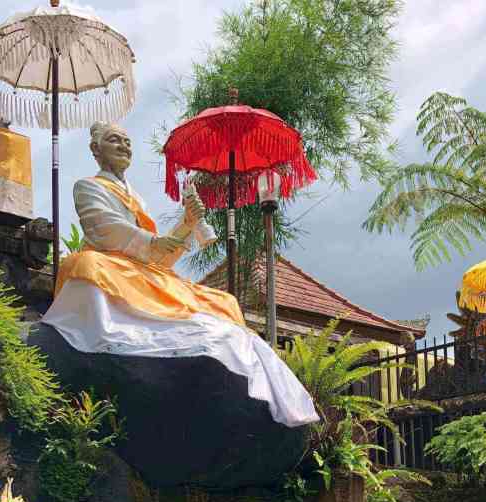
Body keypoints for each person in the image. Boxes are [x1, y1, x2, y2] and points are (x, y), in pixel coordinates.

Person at [41, 122, 318, 429]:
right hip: (112, 263)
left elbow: (160, 257)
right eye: (114, 140)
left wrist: (188, 222)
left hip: (141, 269)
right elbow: (104, 228)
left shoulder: (138, 199)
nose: (123, 146)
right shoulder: (88, 186)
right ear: (96, 149)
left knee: (223, 300)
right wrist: (154, 242)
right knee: (88, 264)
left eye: (127, 142)